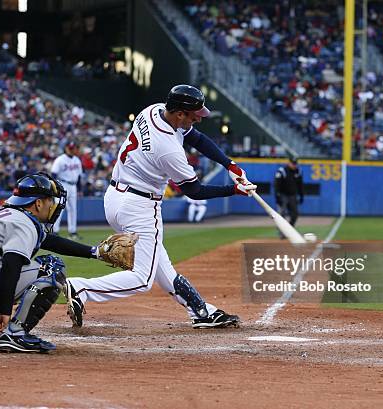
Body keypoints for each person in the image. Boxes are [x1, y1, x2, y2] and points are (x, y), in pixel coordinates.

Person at [65, 84, 256, 329]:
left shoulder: (153, 110)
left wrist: (229, 165)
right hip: (140, 205)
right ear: (179, 114)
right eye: (194, 115)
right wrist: (234, 190)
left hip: (115, 197)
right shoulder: (169, 150)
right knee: (142, 278)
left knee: (161, 266)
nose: (198, 119)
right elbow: (194, 191)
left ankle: (201, 311)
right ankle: (81, 288)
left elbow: (197, 139)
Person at [0, 173, 131, 353]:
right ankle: (15, 333)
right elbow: (11, 266)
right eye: (50, 201)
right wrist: (6, 312)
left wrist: (95, 252)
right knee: (50, 268)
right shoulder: (24, 222)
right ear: (38, 203)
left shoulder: (7, 215)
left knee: (20, 276)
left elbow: (50, 241)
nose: (53, 206)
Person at [51, 141, 83, 239]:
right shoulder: (60, 159)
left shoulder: (77, 160)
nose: (72, 150)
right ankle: (54, 230)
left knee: (73, 209)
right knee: (59, 207)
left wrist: (80, 189)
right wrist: (56, 187)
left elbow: (79, 176)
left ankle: (72, 231)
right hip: (62, 184)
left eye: (73, 148)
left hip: (73, 186)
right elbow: (53, 174)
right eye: (70, 148)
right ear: (66, 148)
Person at [274, 157, 304, 230]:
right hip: (283, 195)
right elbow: (276, 184)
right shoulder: (282, 171)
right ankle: (282, 233)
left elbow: (300, 185)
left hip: (292, 195)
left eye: (295, 164)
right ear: (289, 163)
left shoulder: (298, 171)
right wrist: (277, 196)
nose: (294, 165)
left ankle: (290, 229)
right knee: (281, 214)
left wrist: (301, 195)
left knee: (295, 214)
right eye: (293, 163)